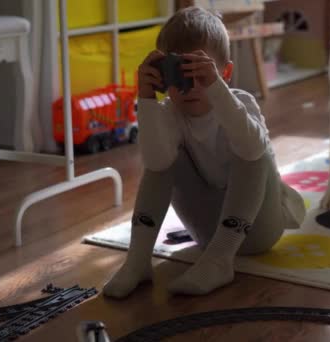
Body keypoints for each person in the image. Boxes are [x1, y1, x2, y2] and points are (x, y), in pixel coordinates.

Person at [103, 6, 305, 297]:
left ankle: (220, 262)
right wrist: (145, 99)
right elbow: (156, 162)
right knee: (164, 160)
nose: (191, 86)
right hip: (206, 231)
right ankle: (137, 260)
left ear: (225, 72)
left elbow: (252, 147)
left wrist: (216, 89)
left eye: (200, 72)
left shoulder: (241, 102)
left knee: (254, 151)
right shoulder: (169, 114)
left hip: (259, 228)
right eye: (180, 73)